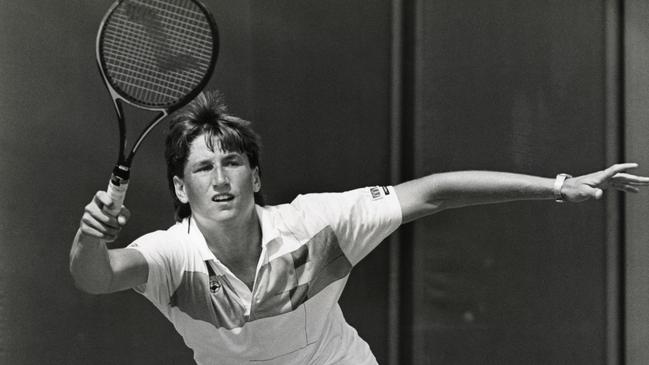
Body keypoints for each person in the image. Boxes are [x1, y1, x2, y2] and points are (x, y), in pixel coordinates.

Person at [69, 90, 649, 365]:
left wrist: (556, 184)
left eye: (233, 162)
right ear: (180, 189)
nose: (220, 178)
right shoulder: (170, 257)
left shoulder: (317, 225)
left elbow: (433, 193)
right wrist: (90, 234)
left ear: (255, 177)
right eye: (203, 167)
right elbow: (97, 277)